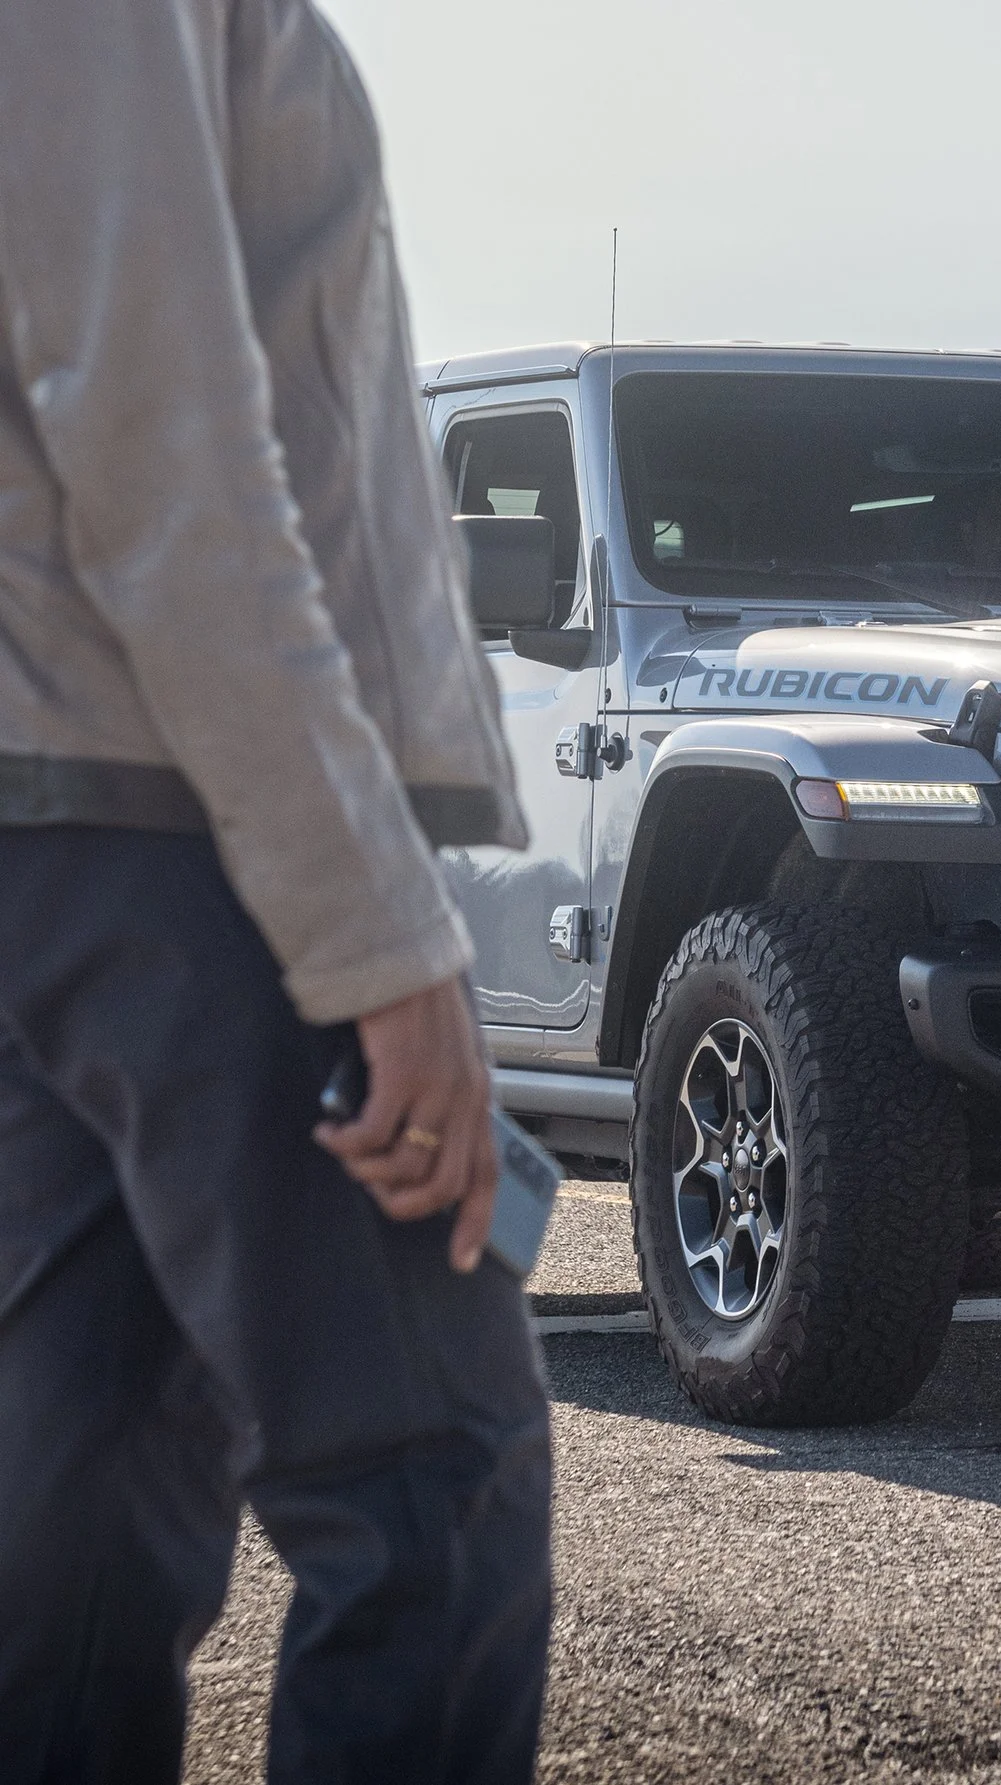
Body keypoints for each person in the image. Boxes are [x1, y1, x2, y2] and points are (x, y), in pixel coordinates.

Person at [0, 3, 553, 1780]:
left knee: (79, 1521)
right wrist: (376, 934)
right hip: (190, 821)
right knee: (436, 1488)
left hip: (67, 822)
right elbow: (158, 427)